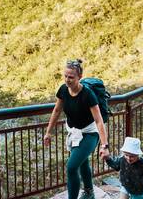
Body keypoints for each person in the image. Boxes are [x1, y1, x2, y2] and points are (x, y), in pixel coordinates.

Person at [44, 59, 110, 199]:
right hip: (75, 132)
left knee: (72, 167)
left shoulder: (88, 95)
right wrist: (48, 132)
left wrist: (104, 145)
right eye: (65, 76)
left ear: (79, 77)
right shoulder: (63, 90)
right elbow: (56, 111)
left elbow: (98, 121)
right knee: (82, 162)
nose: (67, 80)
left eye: (71, 77)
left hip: (90, 133)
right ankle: (89, 192)